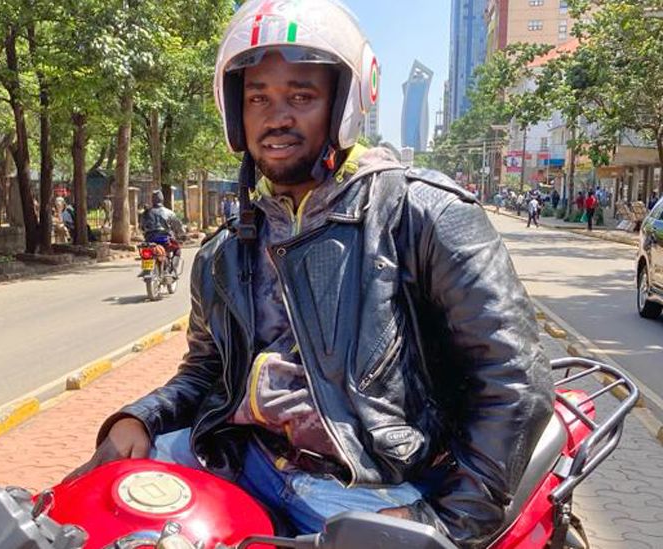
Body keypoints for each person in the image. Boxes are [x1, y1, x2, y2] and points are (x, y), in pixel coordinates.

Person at [72, 2, 553, 548]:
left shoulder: (419, 215)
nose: (276, 116)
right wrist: (139, 419)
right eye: (258, 98)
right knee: (78, 514)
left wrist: (446, 523)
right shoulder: (226, 250)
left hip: (365, 487)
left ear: (343, 105)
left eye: (300, 95)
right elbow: (205, 372)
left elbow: (515, 379)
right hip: (240, 455)